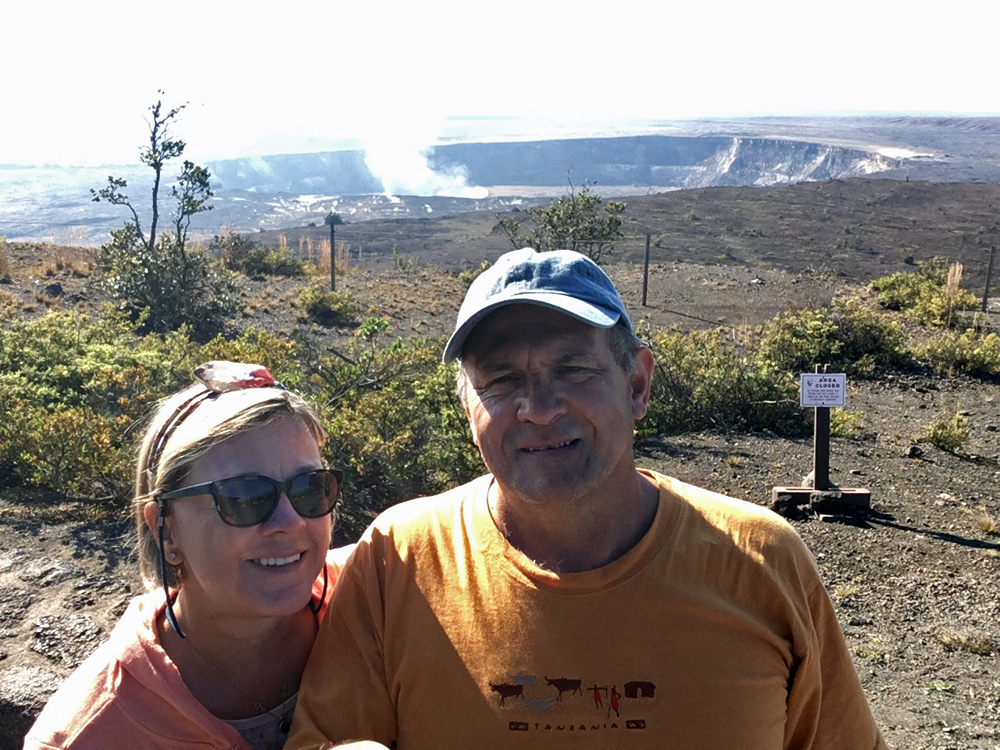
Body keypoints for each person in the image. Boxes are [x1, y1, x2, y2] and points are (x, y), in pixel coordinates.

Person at [287, 248, 887, 749]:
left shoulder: (762, 562)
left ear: (637, 385)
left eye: (574, 369)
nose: (540, 408)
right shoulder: (399, 560)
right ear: (466, 409)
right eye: (500, 381)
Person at [25, 361, 352, 750]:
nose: (290, 521)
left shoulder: (378, 599)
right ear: (166, 528)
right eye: (243, 497)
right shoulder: (87, 735)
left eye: (310, 487)